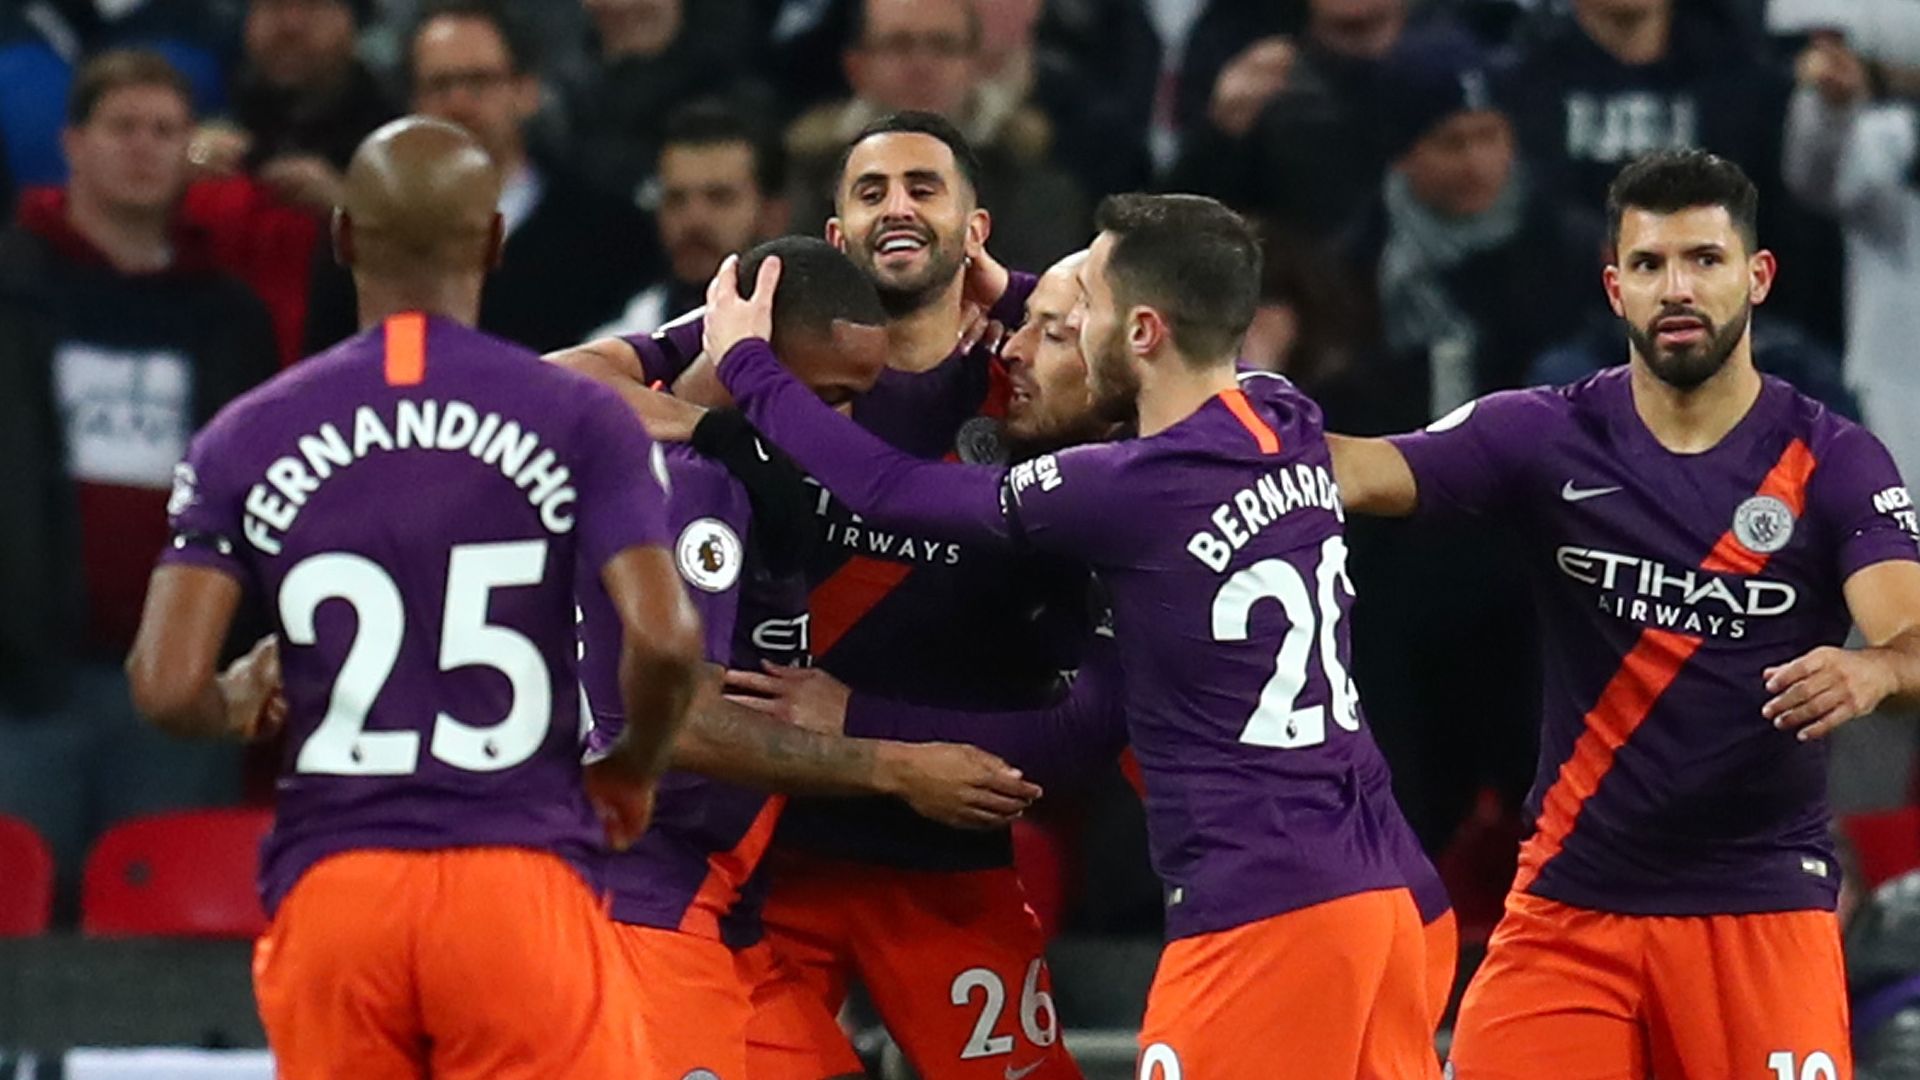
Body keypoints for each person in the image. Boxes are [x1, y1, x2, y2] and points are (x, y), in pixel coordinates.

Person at [706, 192, 1439, 1078]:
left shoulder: (1122, 489)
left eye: (1069, 318)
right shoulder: (1282, 413)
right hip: (1389, 892)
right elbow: (1188, 328)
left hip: (1263, 906)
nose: (1023, 337)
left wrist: (748, 366)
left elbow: (889, 489)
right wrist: (1018, 289)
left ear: (1140, 331)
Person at [122, 116, 704, 1078]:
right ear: (493, 240)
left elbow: (165, 686)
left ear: (343, 235)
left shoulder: (244, 433)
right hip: (517, 882)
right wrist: (631, 768)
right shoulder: (580, 416)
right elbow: (669, 641)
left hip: (337, 891)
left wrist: (234, 701)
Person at [1329, 149, 1920, 1078]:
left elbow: (1911, 638)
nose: (1676, 288)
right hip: (1569, 912)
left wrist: (1875, 668)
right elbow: (1359, 470)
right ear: (1616, 288)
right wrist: (1201, 418)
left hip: (1758, 909)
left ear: (1758, 276)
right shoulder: (1546, 434)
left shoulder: (1832, 459)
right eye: (1649, 264)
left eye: (1704, 259)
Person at [562, 109, 1090, 1080]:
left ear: (975, 228)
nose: (898, 207)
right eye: (871, 191)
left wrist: (1021, 293)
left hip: (937, 852)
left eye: (924, 187)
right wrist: (720, 426)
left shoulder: (1032, 371)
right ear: (836, 236)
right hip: (769, 846)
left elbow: (1175, 376)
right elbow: (556, 385)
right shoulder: (767, 348)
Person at [0, 49, 280, 909]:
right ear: (72, 144)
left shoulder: (230, 316)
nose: (143, 148)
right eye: (122, 127)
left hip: (178, 682)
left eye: (164, 130)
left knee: (164, 930)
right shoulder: (9, 290)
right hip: (22, 682)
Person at [785, 0, 1091, 274]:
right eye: (899, 45)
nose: (922, 65)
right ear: (856, 66)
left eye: (943, 45)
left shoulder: (1038, 187)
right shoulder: (808, 176)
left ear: (975, 65)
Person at [591, 100, 790, 339]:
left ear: (773, 214)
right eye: (676, 199)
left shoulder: (816, 345)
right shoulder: (614, 343)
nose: (694, 220)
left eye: (720, 197)